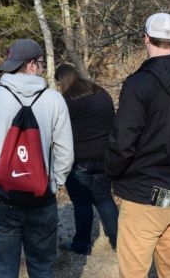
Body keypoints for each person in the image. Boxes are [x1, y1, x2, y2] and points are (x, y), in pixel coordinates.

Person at [105, 12, 170, 277]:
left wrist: (112, 173)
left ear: (145, 39)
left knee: (133, 273)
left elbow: (123, 141)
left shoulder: (139, 84)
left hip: (143, 196)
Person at [0, 38, 74, 278]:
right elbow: (66, 151)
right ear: (33, 66)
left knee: (3, 271)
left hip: (2, 199)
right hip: (42, 200)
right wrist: (54, 183)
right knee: (42, 269)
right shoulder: (55, 100)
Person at [54, 63, 118, 255]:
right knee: (104, 198)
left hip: (80, 159)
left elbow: (59, 131)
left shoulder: (67, 100)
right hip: (105, 157)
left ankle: (81, 244)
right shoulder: (101, 93)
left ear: (62, 80)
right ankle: (119, 241)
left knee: (82, 203)